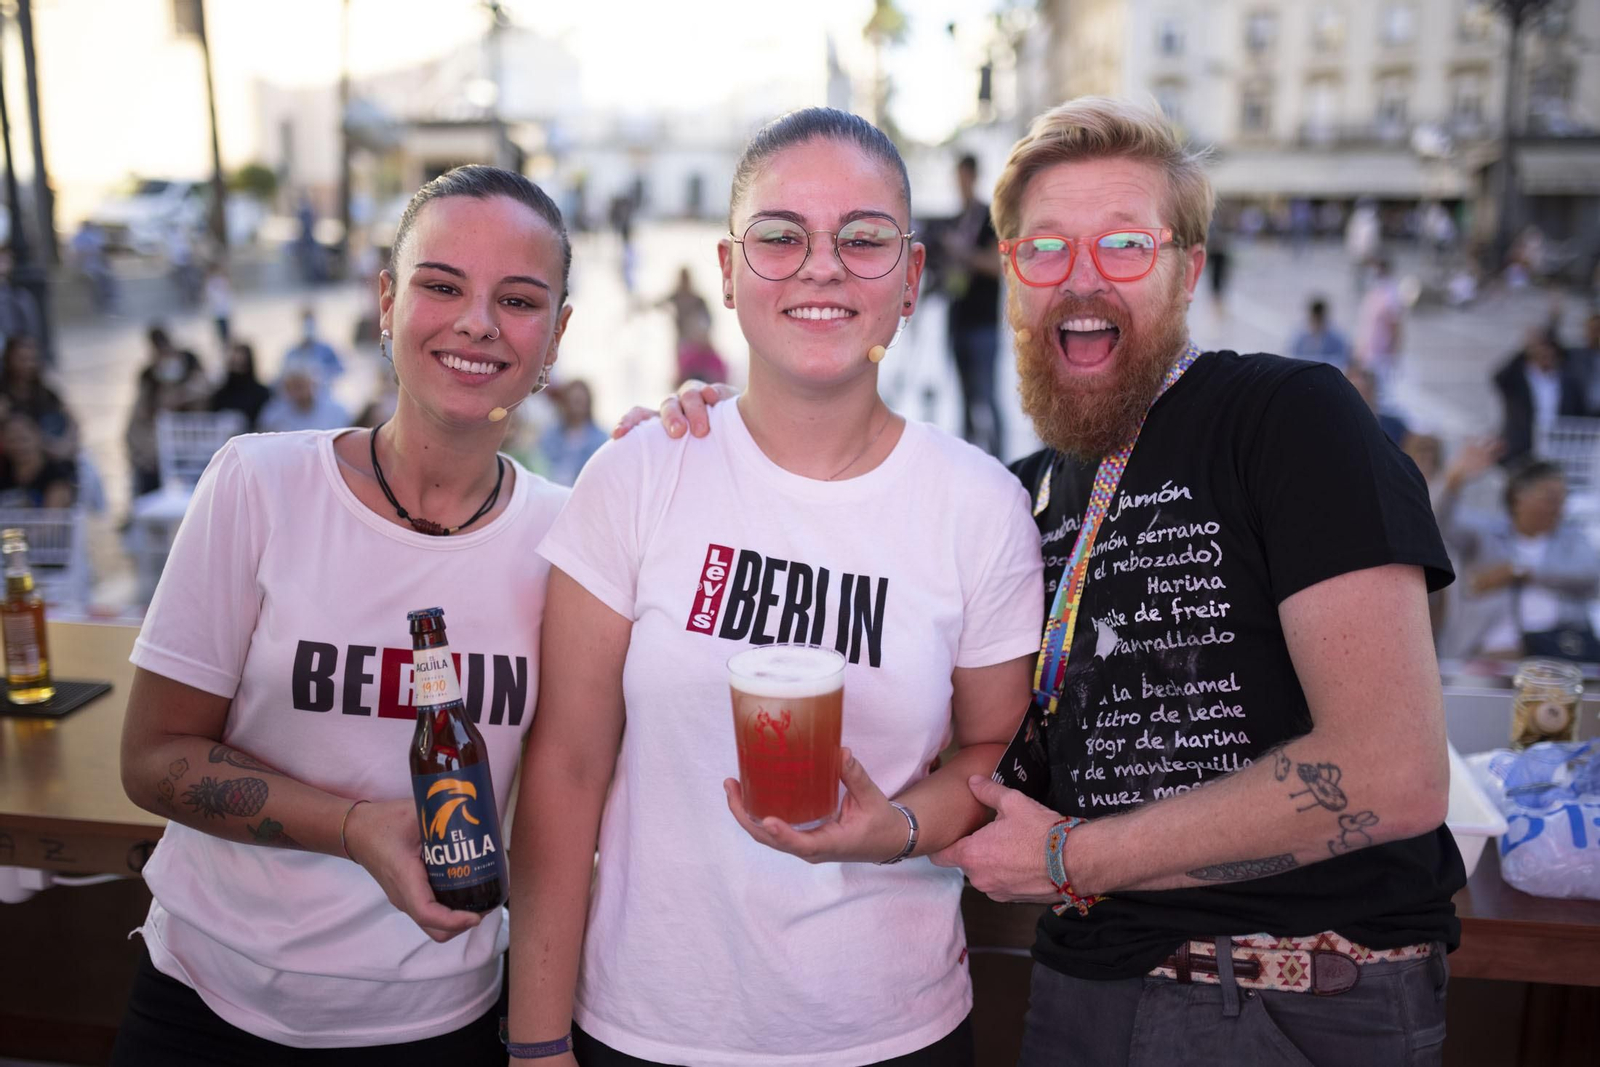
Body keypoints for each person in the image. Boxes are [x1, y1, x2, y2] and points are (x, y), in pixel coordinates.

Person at [632, 96, 1462, 1066]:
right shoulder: (1013, 499)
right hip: (1079, 989)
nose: (1080, 281)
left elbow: (1395, 771)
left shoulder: (1285, 417)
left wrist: (1075, 857)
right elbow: (983, 753)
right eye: (1044, 249)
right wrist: (708, 437)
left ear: (1187, 270)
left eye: (1122, 246)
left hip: (1282, 987)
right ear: (1009, 273)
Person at [508, 107, 1044, 1067]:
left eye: (864, 239)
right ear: (727, 270)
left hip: (893, 1031)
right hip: (647, 1026)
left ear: (913, 277)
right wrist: (537, 1039)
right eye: (780, 236)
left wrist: (900, 825)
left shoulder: (978, 505)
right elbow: (568, 768)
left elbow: (996, 746)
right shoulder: (638, 473)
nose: (822, 265)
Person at [111, 165, 574, 1064]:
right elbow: (152, 757)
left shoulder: (570, 535)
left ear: (556, 336)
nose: (477, 321)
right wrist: (356, 827)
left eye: (518, 299)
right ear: (387, 303)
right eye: (442, 285)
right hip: (207, 1007)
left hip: (444, 1022)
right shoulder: (259, 482)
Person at [1437, 450, 1599, 661]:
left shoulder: (1573, 537)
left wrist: (1518, 571)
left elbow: (1590, 574)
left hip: (1559, 649)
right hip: (1487, 651)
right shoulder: (1486, 533)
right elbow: (1439, 527)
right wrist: (1452, 484)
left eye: (1563, 499)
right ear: (1519, 495)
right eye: (1550, 498)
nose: (1559, 508)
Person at [943, 152, 1005, 455]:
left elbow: (997, 266)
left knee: (987, 396)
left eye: (963, 176)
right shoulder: (957, 218)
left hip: (983, 323)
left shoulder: (989, 217)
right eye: (956, 177)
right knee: (965, 398)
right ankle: (969, 460)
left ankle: (1001, 459)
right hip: (958, 320)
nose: (959, 183)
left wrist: (962, 253)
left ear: (974, 176)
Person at [125, 327, 211, 497]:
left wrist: (181, 395)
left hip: (192, 446)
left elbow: (205, 389)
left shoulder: (190, 367)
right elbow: (136, 425)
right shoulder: (149, 380)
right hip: (156, 452)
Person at [1493, 326, 1586, 466]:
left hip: (1557, 445)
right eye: (1541, 355)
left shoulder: (1567, 381)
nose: (1546, 359)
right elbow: (1499, 377)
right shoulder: (1519, 378)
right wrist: (1524, 348)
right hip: (1521, 445)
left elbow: (1579, 411)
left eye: (1550, 355)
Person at [1, 334, 79, 461]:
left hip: (56, 452)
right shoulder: (4, 398)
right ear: (9, 360)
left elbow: (72, 421)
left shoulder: (45, 392)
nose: (28, 364)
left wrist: (67, 445)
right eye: (22, 359)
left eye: (32, 359)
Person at [537, 379, 607, 487]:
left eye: (579, 401)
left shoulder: (600, 439)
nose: (576, 407)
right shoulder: (550, 436)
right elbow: (541, 466)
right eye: (572, 401)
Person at [0, 412, 76, 508]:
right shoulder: (4, 473)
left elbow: (52, 519)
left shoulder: (56, 475)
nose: (18, 446)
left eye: (24, 439)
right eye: (12, 440)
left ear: (37, 437)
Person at [1354, 255, 1405, 388]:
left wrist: (1393, 356)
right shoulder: (1375, 290)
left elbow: (1396, 326)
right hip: (1369, 354)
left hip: (1382, 356)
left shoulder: (1391, 294)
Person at [257, 366, 350, 433]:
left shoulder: (336, 411)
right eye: (291, 387)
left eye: (300, 386)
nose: (297, 391)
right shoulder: (273, 414)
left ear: (312, 385)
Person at [209, 341, 272, 431]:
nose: (238, 368)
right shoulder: (220, 395)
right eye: (234, 364)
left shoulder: (261, 394)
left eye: (242, 365)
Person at [1345, 364, 1410, 445]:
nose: (1360, 399)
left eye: (1365, 391)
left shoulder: (1396, 428)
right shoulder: (1335, 428)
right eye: (1355, 392)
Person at [282, 308, 346, 384]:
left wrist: (321, 372)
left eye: (310, 321)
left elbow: (341, 371)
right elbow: (283, 376)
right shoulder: (292, 352)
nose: (308, 326)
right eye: (305, 321)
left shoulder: (327, 350)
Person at [1286, 296, 1351, 370]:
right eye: (1315, 318)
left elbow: (1342, 359)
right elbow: (1292, 356)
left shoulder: (1336, 337)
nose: (1317, 321)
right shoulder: (1300, 337)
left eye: (1319, 318)